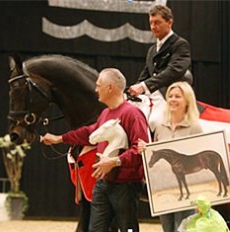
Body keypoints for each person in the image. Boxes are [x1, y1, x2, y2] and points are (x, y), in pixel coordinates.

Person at [41, 68, 149, 232]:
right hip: (104, 183)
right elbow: (90, 133)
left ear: (110, 88)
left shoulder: (132, 114)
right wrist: (60, 138)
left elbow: (141, 150)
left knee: (128, 228)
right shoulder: (106, 113)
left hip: (125, 186)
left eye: (99, 85)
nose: (96, 89)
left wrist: (115, 161)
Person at [138, 81, 203, 232]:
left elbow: (200, 163)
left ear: (187, 101)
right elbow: (157, 156)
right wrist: (145, 150)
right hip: (164, 191)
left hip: (187, 192)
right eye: (170, 96)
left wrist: (201, 197)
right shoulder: (160, 127)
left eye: (178, 96)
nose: (173, 99)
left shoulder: (195, 128)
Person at [128, 4, 192, 131]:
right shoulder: (152, 50)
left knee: (155, 121)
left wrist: (144, 86)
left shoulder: (180, 45)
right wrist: (129, 93)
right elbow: (144, 76)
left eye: (157, 22)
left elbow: (174, 70)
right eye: (151, 23)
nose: (153, 27)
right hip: (151, 94)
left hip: (168, 95)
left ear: (169, 22)